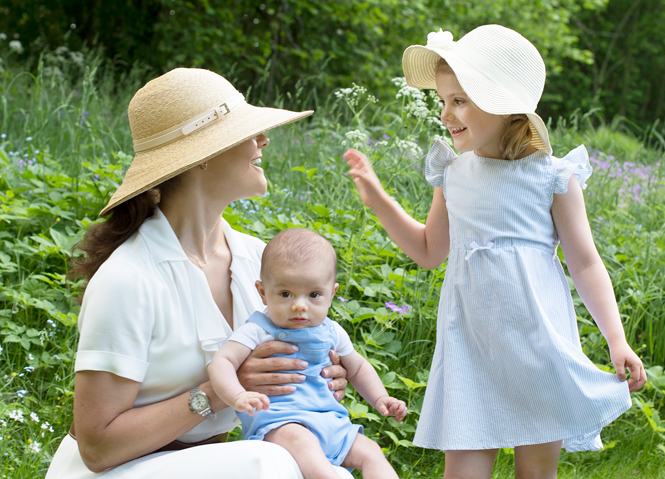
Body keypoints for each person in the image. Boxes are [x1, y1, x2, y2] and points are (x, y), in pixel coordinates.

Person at [344, 24, 647, 478]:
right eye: (443, 101)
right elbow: (429, 250)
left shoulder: (552, 177)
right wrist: (377, 200)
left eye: (459, 100)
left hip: (536, 345)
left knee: (535, 472)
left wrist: (616, 338)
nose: (446, 113)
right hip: (470, 345)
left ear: (504, 104)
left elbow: (585, 263)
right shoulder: (453, 173)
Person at [45, 68, 353, 479]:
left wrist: (317, 376)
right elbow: (98, 448)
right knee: (273, 463)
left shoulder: (258, 260)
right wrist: (221, 391)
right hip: (110, 473)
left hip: (204, 465)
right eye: (248, 131)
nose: (262, 140)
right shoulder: (129, 279)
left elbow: (288, 373)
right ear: (203, 154)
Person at [208, 228, 407, 479]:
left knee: (371, 452)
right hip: (282, 422)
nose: (299, 305)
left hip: (331, 420)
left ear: (332, 294)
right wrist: (237, 395)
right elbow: (222, 362)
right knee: (304, 445)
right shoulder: (258, 329)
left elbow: (357, 367)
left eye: (313, 295)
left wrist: (381, 398)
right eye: (285, 294)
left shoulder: (333, 331)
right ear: (262, 293)